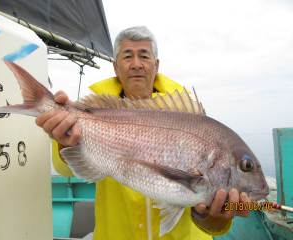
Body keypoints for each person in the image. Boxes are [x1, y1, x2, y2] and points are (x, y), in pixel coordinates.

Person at [36, 26, 251, 239]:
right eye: (127, 56)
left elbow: (213, 223)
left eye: (144, 56)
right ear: (115, 67)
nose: (136, 64)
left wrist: (210, 213)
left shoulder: (189, 118)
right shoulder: (94, 113)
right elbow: (66, 171)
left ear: (156, 65)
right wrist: (65, 137)